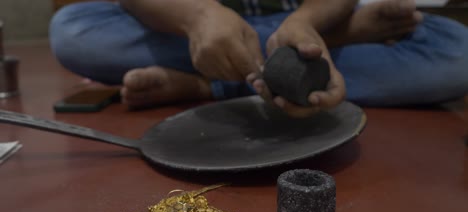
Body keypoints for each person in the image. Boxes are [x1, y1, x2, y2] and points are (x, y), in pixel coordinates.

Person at [49, 0, 468, 118]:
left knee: (457, 51)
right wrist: (199, 16)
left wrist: (307, 24)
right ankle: (293, 58)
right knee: (73, 30)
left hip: (302, 17)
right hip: (186, 21)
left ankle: (204, 83)